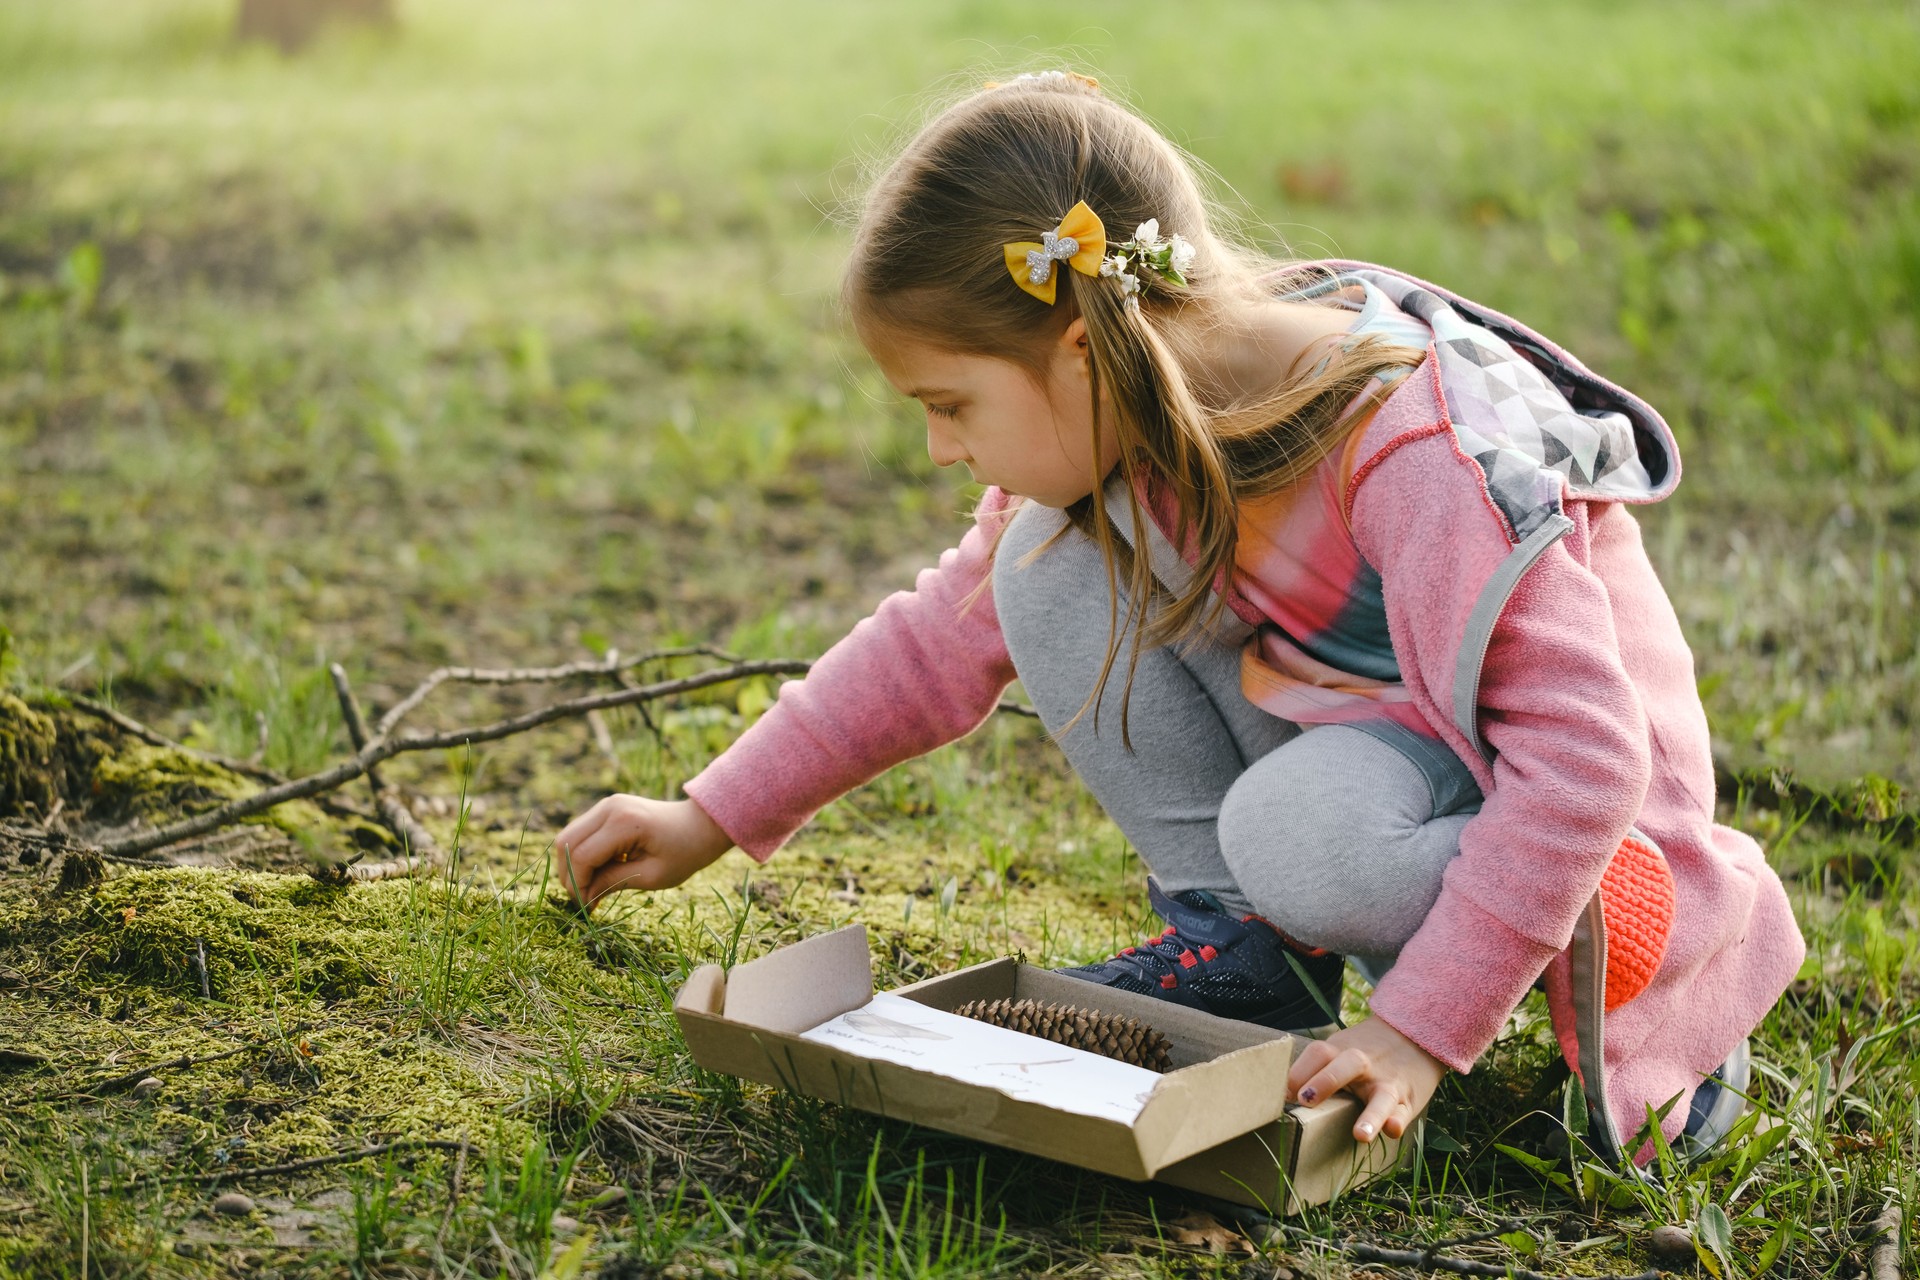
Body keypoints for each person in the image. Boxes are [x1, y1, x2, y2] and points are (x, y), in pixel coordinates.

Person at [554, 71, 1804, 1169]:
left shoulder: (1416, 446)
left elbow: (1587, 754)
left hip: (1570, 791)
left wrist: (1415, 1031)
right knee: (1039, 561)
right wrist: (709, 813)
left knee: (1301, 835)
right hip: (1386, 756)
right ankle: (1247, 951)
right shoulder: (1133, 429)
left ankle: (1633, 926)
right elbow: (937, 640)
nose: (939, 449)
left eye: (949, 403)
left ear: (1087, 351)